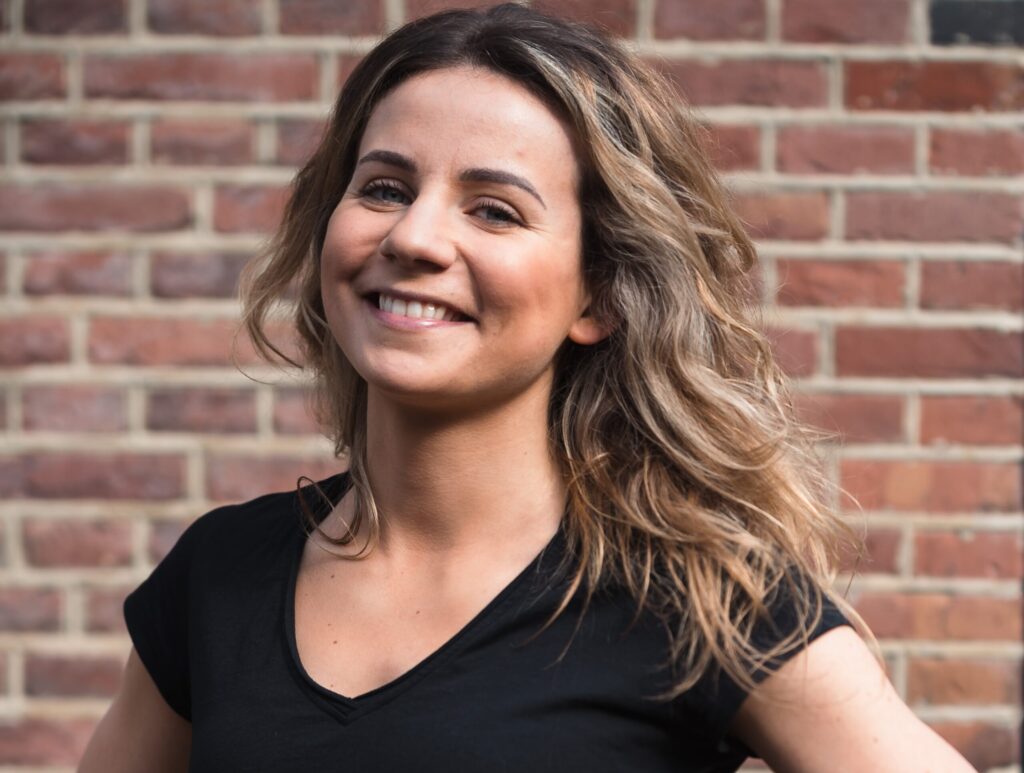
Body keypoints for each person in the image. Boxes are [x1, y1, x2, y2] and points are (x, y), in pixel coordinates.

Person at [79, 4, 977, 771]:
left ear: (598, 295)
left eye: (494, 209)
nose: (417, 237)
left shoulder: (695, 597)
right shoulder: (220, 575)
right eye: (385, 187)